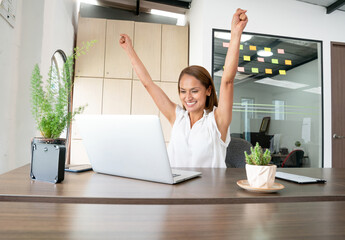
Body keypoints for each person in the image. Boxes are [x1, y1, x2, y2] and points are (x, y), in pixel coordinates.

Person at [119, 8, 248, 168]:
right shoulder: (178, 117)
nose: (188, 97)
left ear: (208, 90)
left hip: (209, 191)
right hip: (176, 190)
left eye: (194, 91)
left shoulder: (216, 122)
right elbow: (148, 84)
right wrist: (129, 50)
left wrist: (235, 33)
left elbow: (227, 81)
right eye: (183, 91)